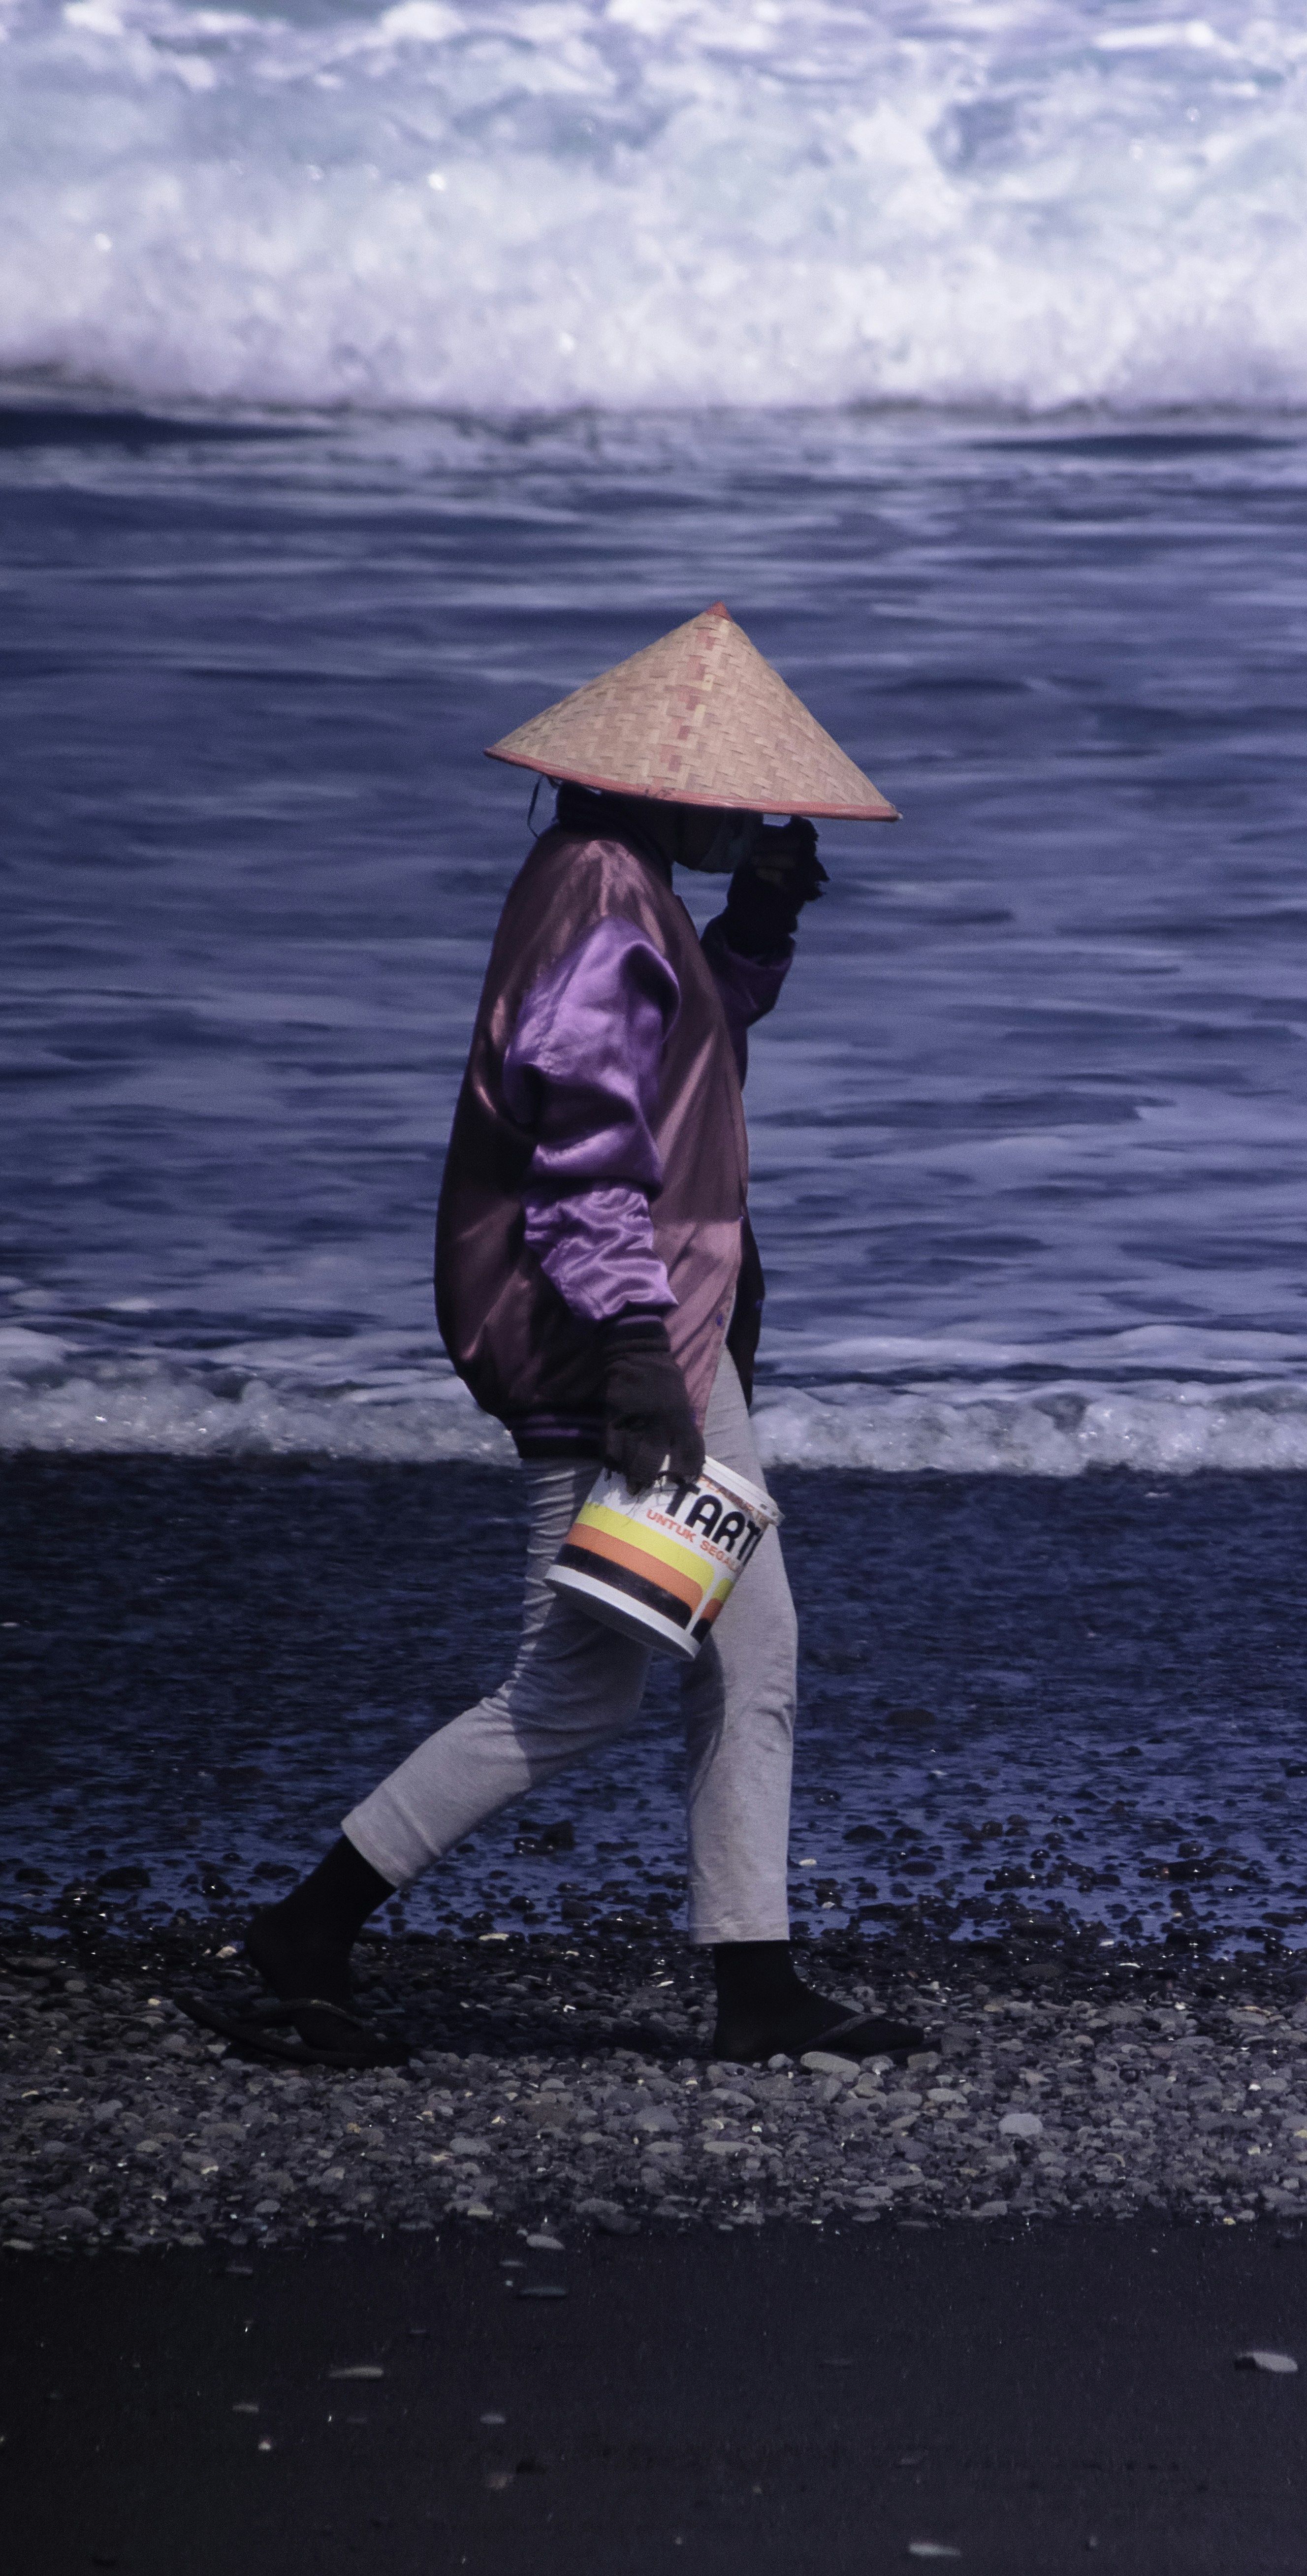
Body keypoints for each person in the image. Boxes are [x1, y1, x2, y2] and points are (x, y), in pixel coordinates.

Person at [201, 604, 928, 2070]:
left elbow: (677, 1048)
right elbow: (586, 1146)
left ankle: (754, 1979)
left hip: (664, 1317)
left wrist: (760, 924)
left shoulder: (611, 880)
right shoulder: (603, 896)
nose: (748, 814)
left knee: (751, 1649)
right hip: (620, 1329)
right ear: (659, 787)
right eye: (732, 796)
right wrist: (638, 1353)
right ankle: (311, 1927)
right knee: (578, 1682)